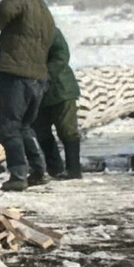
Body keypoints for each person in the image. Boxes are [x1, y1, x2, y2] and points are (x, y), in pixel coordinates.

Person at [0, 0, 55, 191]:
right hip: (38, 76)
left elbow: (1, 14)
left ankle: (18, 175)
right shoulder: (43, 7)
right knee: (25, 126)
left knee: (9, 127)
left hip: (17, 74)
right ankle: (39, 170)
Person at [33, 26, 83, 179]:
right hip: (37, 91)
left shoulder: (50, 31)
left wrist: (43, 74)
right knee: (41, 131)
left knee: (67, 130)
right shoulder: (19, 35)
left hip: (61, 88)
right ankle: (55, 168)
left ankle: (74, 170)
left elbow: (61, 56)